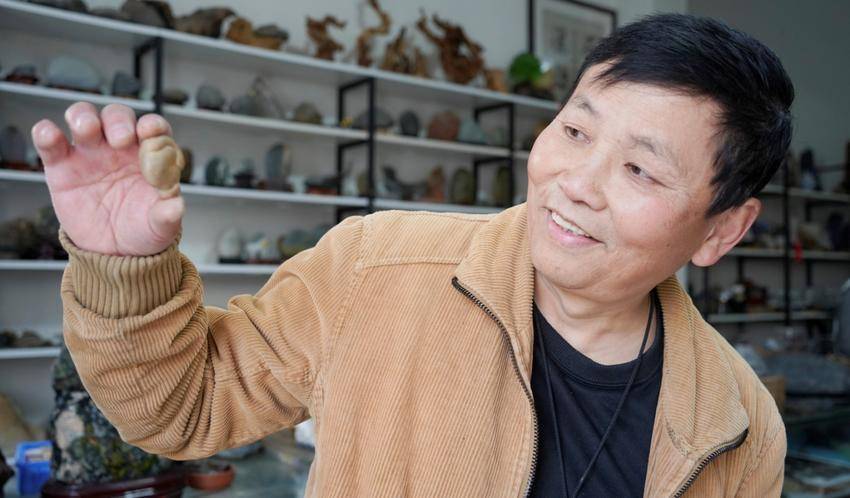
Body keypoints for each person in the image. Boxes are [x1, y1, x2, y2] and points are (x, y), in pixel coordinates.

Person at [32, 12, 792, 497]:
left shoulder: (738, 422)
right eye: (574, 131)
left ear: (722, 230)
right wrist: (121, 265)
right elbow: (180, 407)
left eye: (640, 170)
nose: (576, 183)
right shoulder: (374, 267)